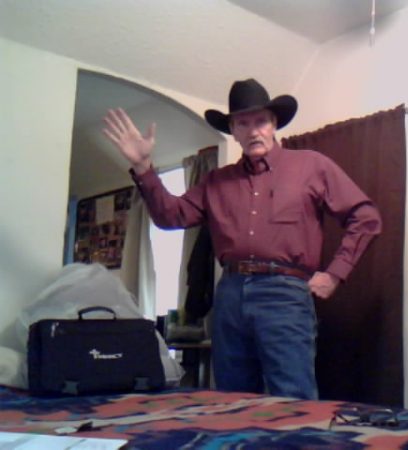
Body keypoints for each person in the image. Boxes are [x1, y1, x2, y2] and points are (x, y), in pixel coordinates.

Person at [102, 78, 382, 400]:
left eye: (260, 121)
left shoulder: (311, 166)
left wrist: (335, 273)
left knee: (293, 396)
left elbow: (366, 217)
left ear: (274, 124)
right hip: (230, 295)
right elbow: (170, 216)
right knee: (232, 399)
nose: (253, 131)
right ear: (233, 131)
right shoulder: (216, 181)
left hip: (285, 294)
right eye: (242, 123)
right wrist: (143, 167)